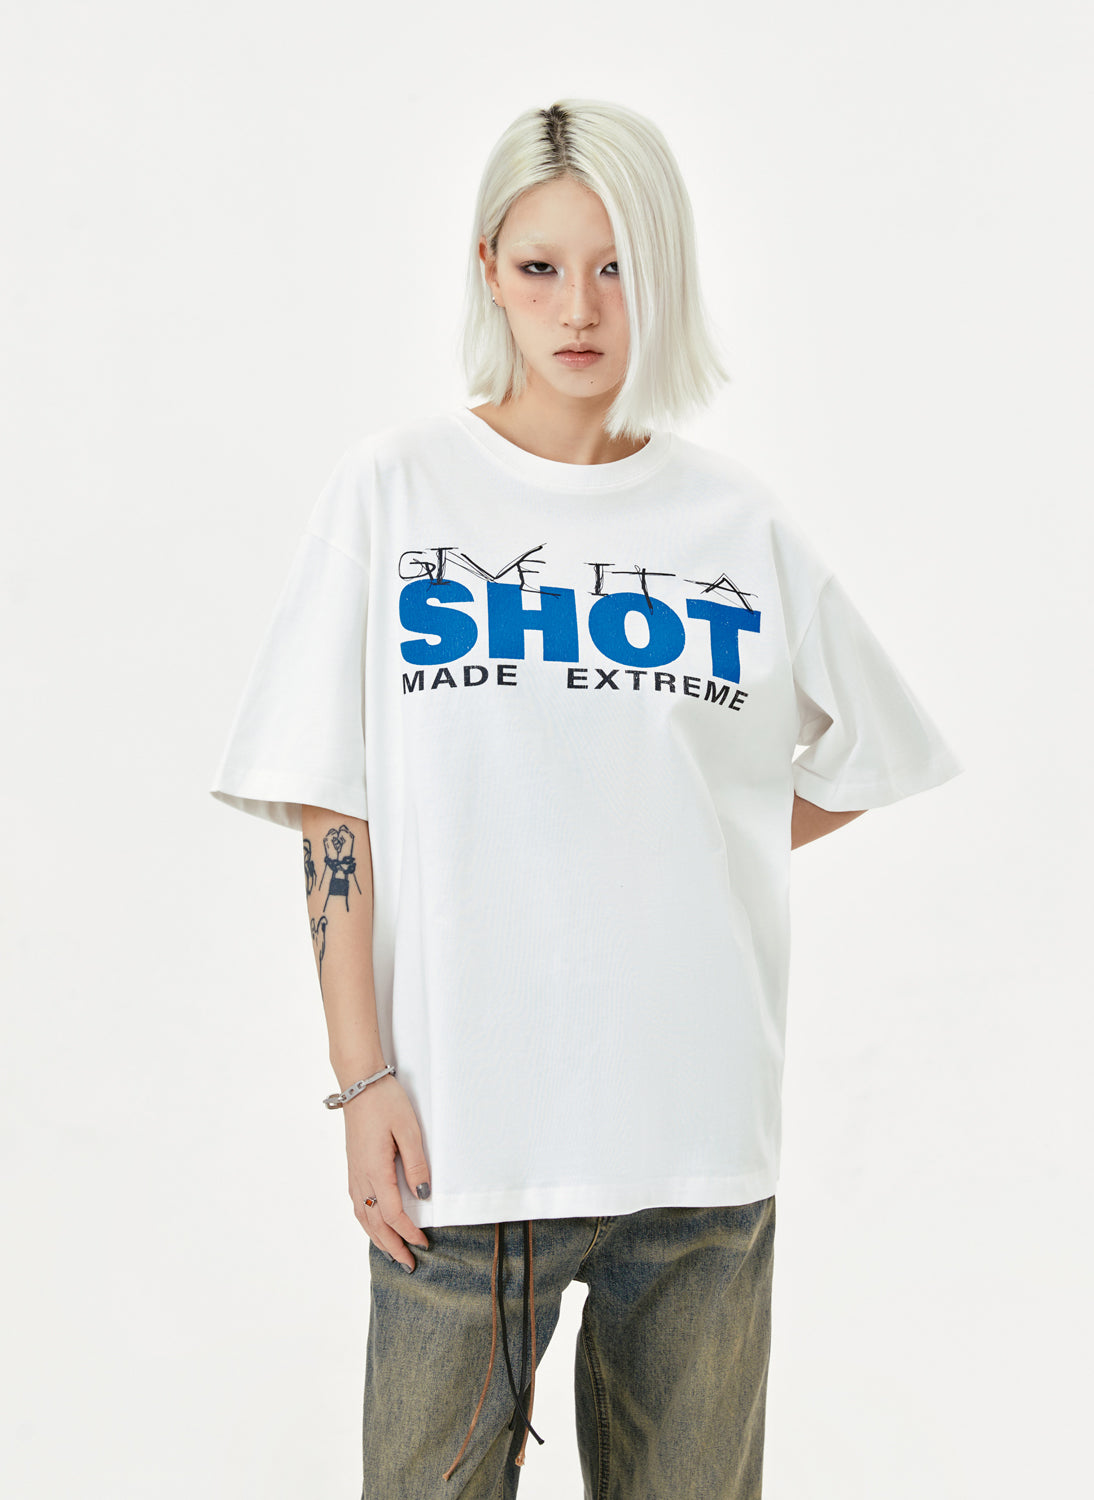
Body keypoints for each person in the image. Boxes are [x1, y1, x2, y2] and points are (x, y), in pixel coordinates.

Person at [209, 98, 964, 1500]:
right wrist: (362, 1078)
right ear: (488, 271)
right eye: (543, 266)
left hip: (697, 1150)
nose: (579, 308)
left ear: (661, 277)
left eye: (617, 268)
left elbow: (865, 754)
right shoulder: (396, 493)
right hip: (462, 1145)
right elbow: (329, 808)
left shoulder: (732, 523)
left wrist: (694, 842)